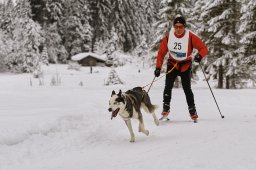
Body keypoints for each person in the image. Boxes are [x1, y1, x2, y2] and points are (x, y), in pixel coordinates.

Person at [154, 16, 208, 120]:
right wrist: (158, 67)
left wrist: (199, 56)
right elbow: (161, 52)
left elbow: (204, 48)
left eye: (181, 27)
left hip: (185, 66)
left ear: (184, 27)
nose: (178, 29)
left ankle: (192, 110)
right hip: (172, 65)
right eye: (176, 27)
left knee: (187, 88)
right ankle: (166, 108)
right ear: (173, 27)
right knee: (168, 86)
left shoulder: (190, 37)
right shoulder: (169, 37)